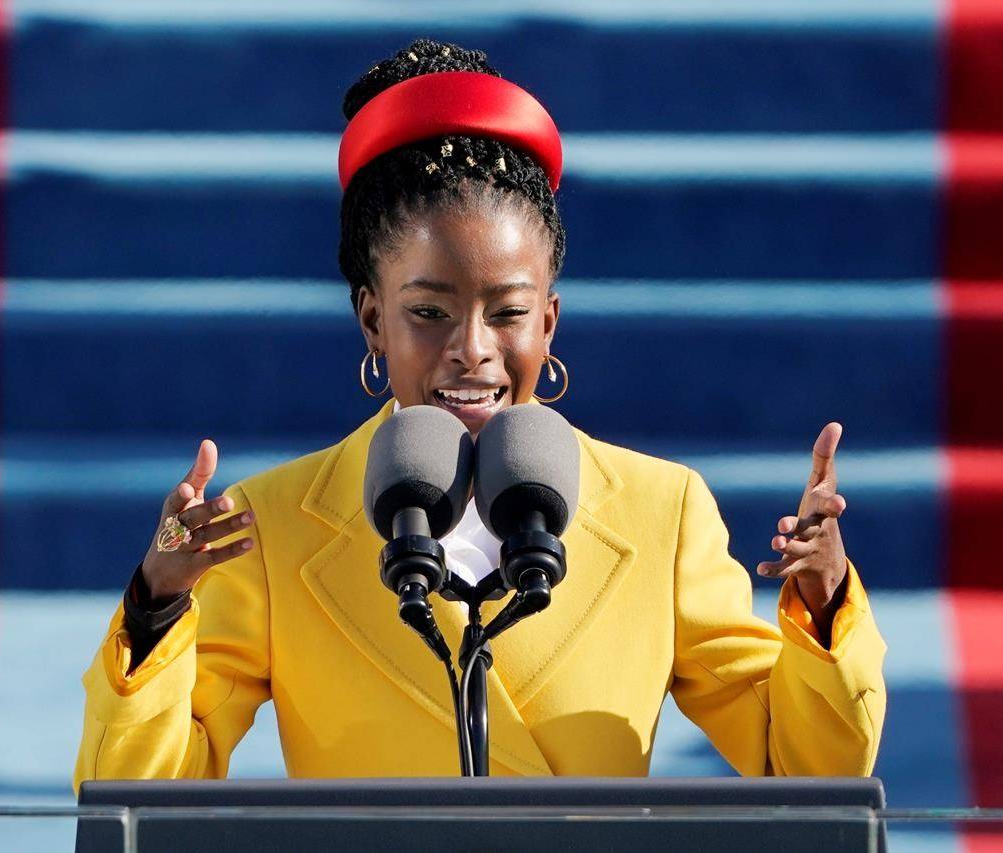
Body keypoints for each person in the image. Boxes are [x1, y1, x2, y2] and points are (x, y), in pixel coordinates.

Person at [73, 38, 885, 788]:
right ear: (372, 322)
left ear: (549, 323)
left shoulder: (660, 513)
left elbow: (806, 767)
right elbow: (142, 803)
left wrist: (823, 600)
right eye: (429, 313)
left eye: (507, 312)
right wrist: (156, 604)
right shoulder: (272, 526)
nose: (472, 348)